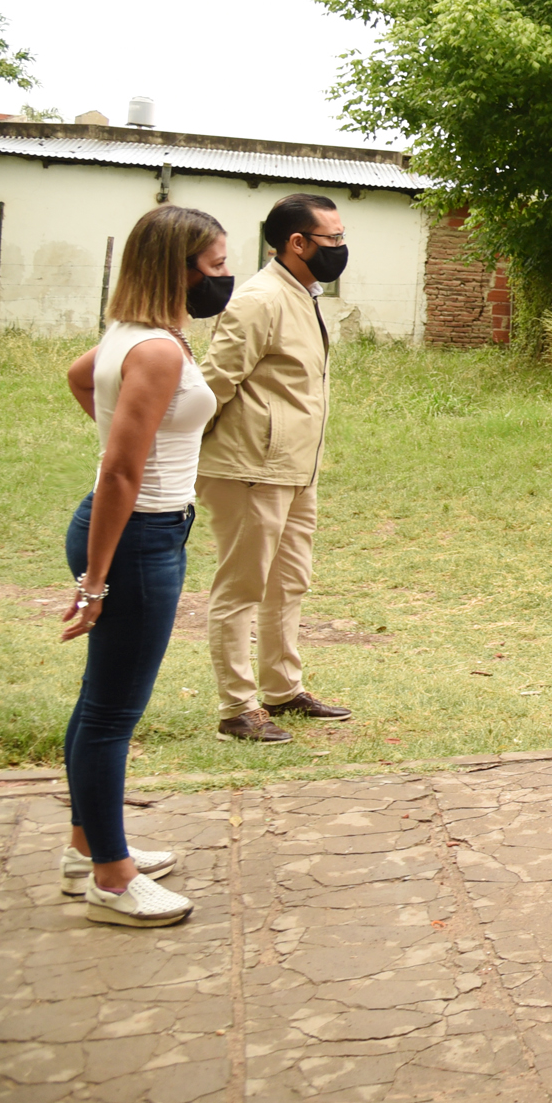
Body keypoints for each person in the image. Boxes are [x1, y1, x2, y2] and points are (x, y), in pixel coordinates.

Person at [61, 205, 233, 926]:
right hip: (135, 538)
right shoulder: (158, 350)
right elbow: (120, 472)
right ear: (178, 268)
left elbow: (80, 377)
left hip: (142, 532)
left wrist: (118, 421)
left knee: (101, 701)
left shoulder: (135, 336)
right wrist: (95, 582)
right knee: (111, 712)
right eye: (216, 265)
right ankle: (110, 878)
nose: (225, 278)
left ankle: (86, 845)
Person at [196, 192, 353, 744]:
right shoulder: (260, 299)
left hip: (293, 466)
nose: (341, 247)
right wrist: (194, 451)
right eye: (332, 239)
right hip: (249, 467)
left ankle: (282, 688)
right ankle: (236, 708)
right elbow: (214, 383)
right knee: (242, 586)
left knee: (288, 582)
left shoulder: (301, 294)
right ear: (297, 243)